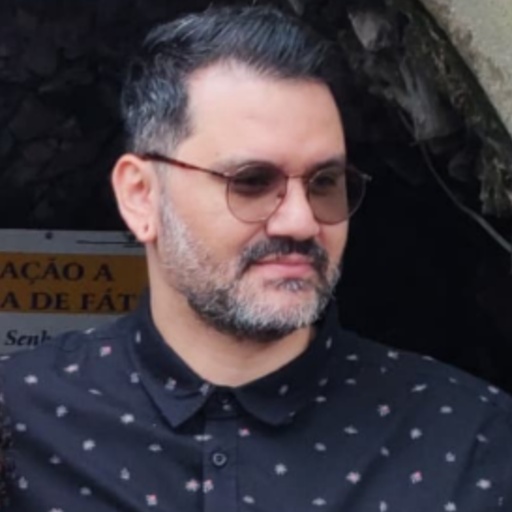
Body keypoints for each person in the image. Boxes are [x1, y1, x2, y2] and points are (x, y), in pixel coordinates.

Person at [1, 5, 512, 511]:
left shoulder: (471, 441)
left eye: (324, 183)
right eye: (250, 182)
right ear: (141, 196)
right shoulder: (19, 421)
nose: (301, 222)